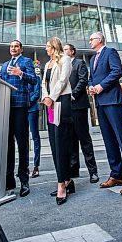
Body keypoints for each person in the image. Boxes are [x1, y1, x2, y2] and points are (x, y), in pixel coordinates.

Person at [89, 32, 122, 195]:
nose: (90, 41)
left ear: (100, 40)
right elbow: (92, 78)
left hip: (112, 100)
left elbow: (117, 71)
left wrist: (101, 86)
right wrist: (91, 86)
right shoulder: (92, 59)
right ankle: (116, 175)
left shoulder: (110, 52)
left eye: (92, 39)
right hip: (100, 102)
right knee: (109, 140)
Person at [0, 40, 37, 197]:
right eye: (11, 47)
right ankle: (9, 179)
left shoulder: (26, 61)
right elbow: (0, 83)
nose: (13, 48)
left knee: (22, 144)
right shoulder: (4, 65)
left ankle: (24, 180)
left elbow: (34, 80)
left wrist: (20, 73)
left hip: (20, 106)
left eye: (16, 46)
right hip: (5, 106)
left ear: (21, 48)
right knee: (7, 145)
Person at [42, 37, 73, 205]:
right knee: (54, 143)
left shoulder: (65, 59)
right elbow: (43, 83)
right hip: (50, 103)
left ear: (54, 47)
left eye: (48, 46)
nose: (46, 49)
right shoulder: (47, 64)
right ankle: (66, 179)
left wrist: (52, 97)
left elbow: (62, 80)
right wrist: (46, 97)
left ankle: (62, 184)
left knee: (61, 142)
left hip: (61, 101)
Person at [63, 43, 98, 183]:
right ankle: (73, 171)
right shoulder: (61, 66)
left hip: (78, 105)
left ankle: (93, 172)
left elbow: (83, 80)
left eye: (66, 49)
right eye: (63, 50)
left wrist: (73, 94)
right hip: (66, 108)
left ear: (72, 52)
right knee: (70, 141)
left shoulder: (79, 63)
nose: (64, 52)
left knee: (84, 139)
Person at [28, 75, 41, 178]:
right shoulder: (20, 77)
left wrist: (26, 103)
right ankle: (25, 167)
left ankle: (36, 166)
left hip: (32, 109)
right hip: (21, 110)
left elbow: (36, 94)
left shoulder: (35, 77)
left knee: (35, 137)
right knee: (23, 139)